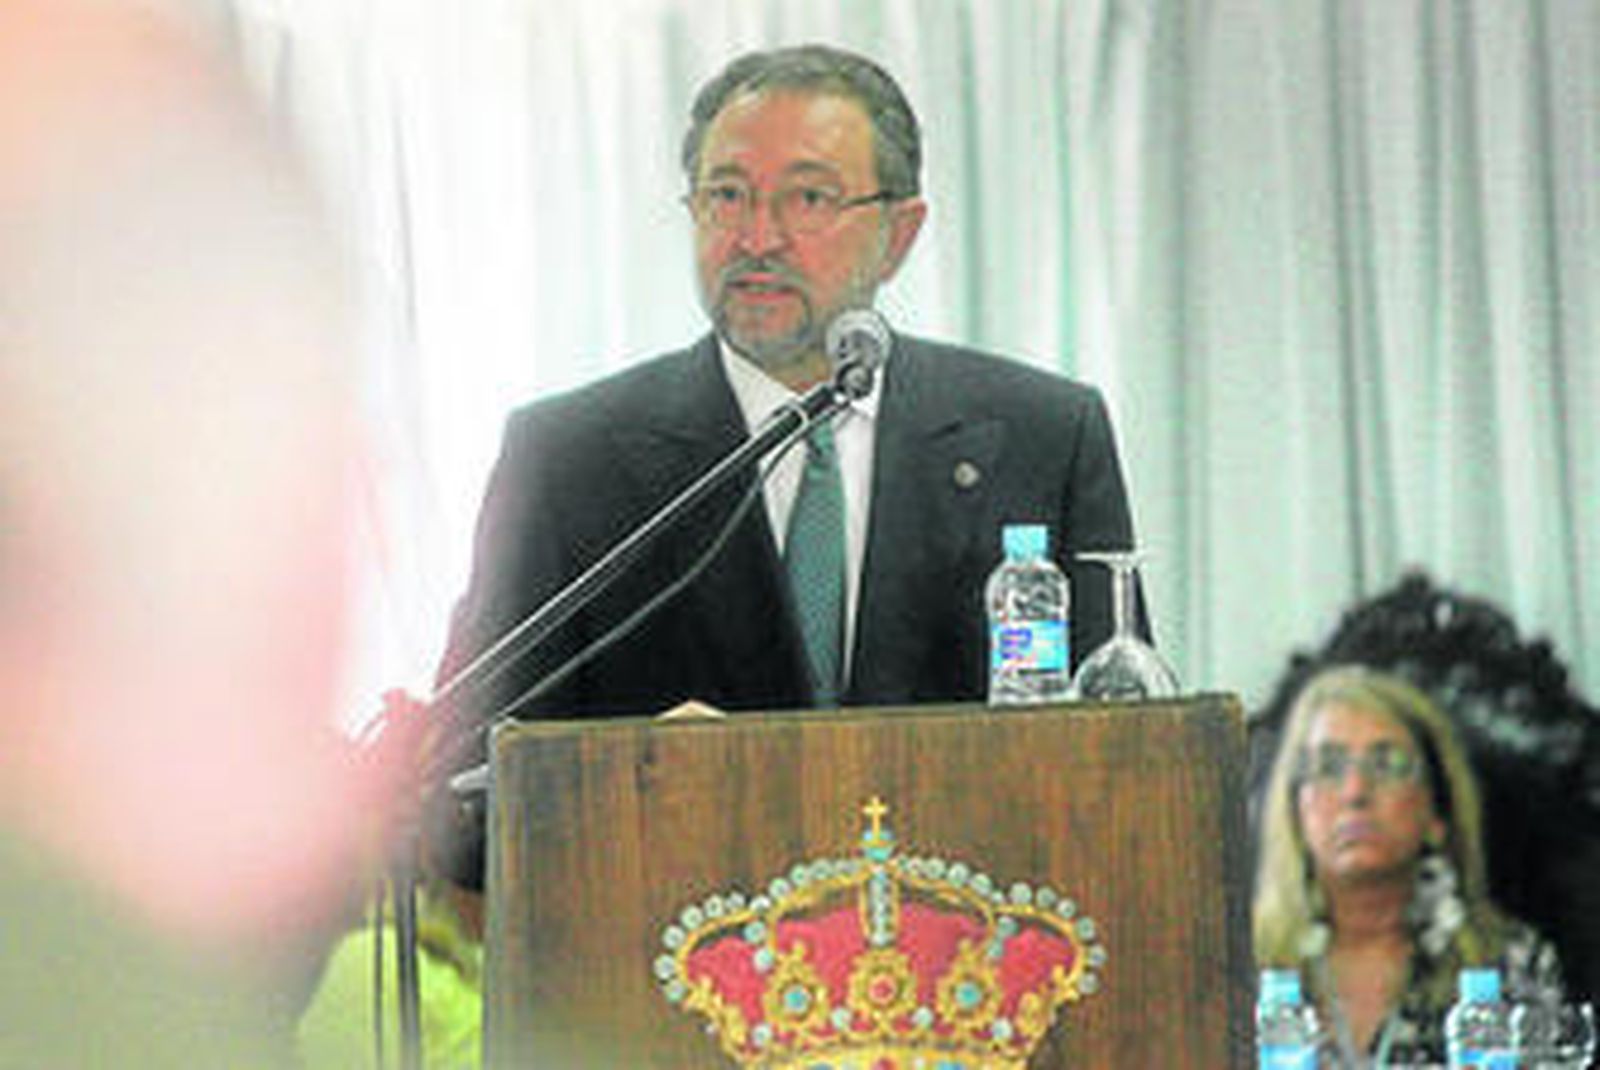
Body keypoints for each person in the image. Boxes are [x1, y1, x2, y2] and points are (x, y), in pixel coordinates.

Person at [430, 44, 1142, 882]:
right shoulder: (569, 460)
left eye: (808, 198)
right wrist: (630, 780)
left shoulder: (1043, 436)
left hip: (966, 976)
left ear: (899, 233)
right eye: (727, 196)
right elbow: (457, 807)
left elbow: (1129, 769)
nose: (757, 238)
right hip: (675, 978)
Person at [1253, 666, 1566, 1066]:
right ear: (1295, 808)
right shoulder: (1241, 967)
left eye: (1388, 764)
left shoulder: (1510, 963)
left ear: (1436, 811)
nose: (1355, 793)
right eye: (1329, 767)